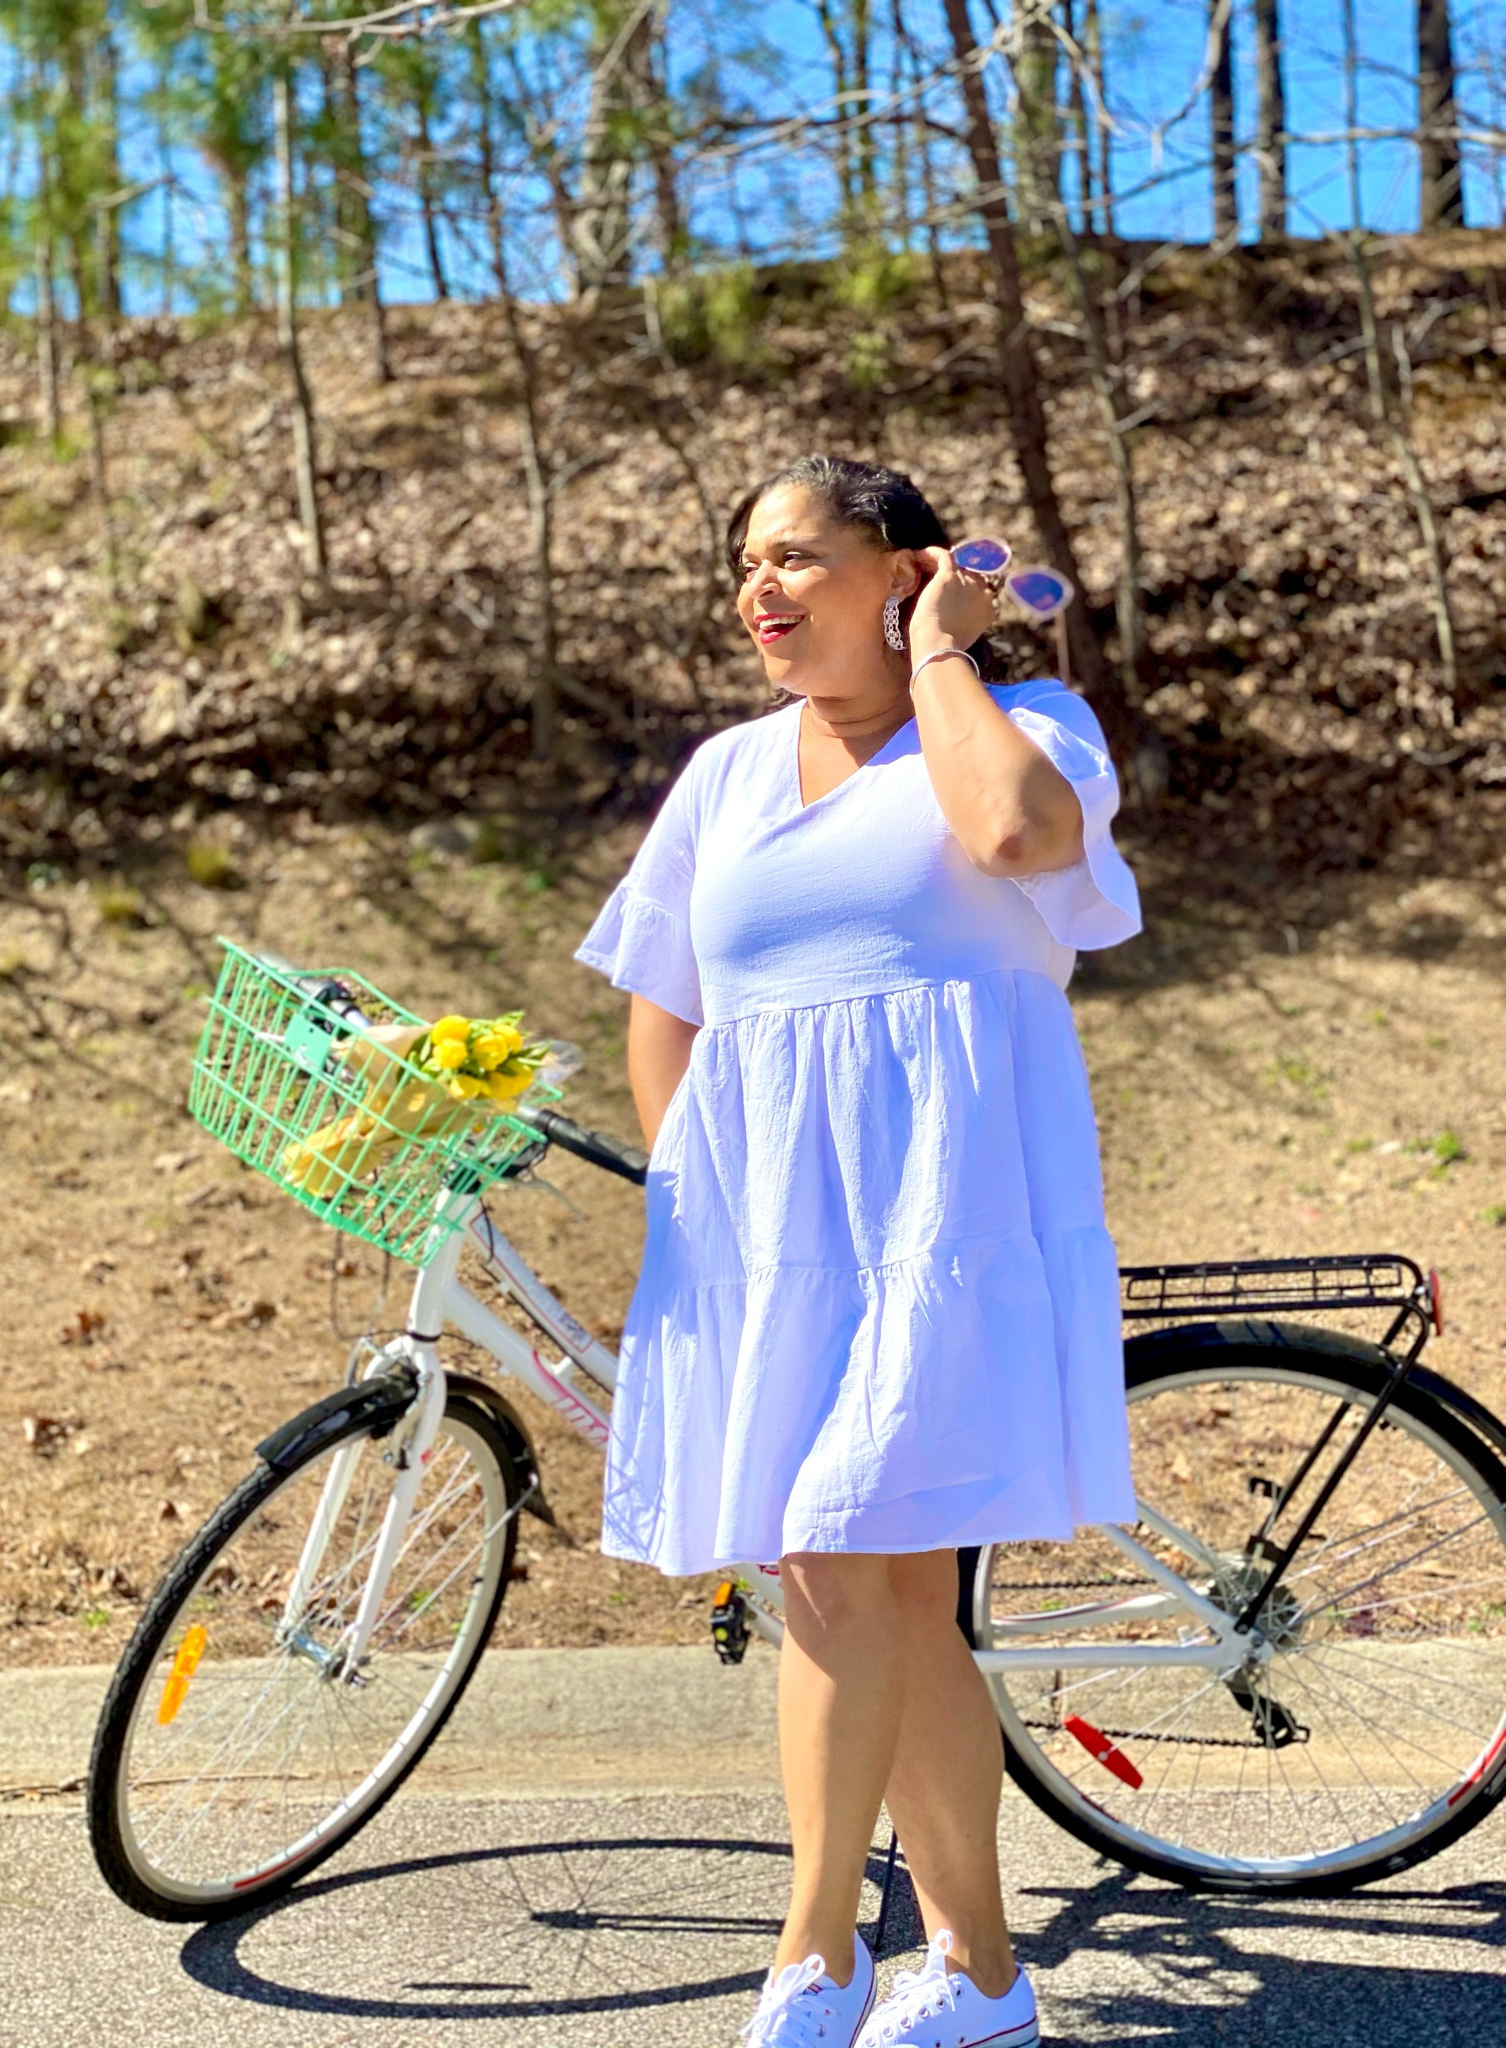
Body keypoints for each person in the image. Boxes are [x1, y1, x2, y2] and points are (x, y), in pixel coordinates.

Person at [574, 455, 1141, 2047]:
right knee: (886, 1594)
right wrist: (693, 1199)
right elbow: (666, 1002)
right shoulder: (725, 775)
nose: (759, 588)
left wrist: (946, 651)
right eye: (747, 562)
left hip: (948, 1218)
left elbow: (1017, 835)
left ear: (902, 571)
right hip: (767, 1231)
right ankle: (984, 1980)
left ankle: (812, 1957)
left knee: (833, 1553)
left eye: (798, 557)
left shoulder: (1031, 727)